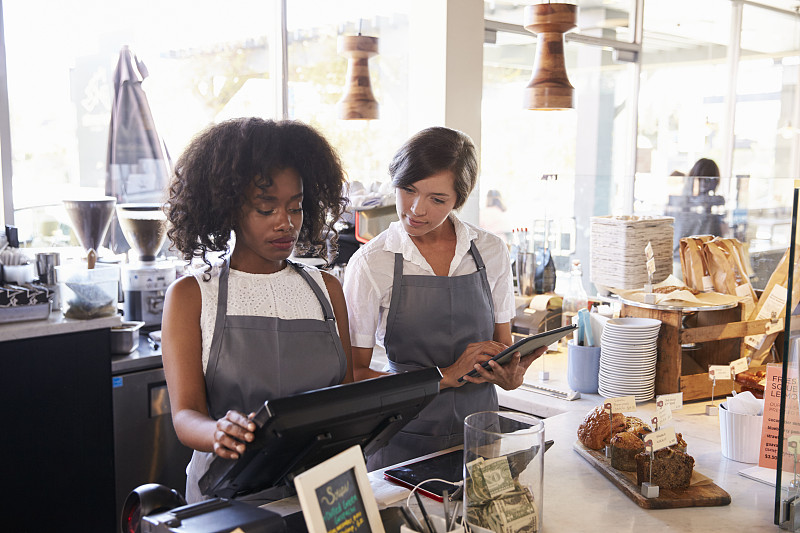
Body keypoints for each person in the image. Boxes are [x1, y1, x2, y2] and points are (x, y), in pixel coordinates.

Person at [161, 117, 354, 503]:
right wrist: (217, 432)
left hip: (322, 491)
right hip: (228, 493)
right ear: (230, 208)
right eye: (266, 209)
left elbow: (346, 400)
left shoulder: (326, 290)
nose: (287, 223)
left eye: (296, 207)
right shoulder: (191, 295)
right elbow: (185, 415)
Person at [343, 126, 545, 469]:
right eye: (408, 189)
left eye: (437, 199)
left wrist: (511, 375)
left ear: (458, 201)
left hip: (482, 434)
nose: (416, 210)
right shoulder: (371, 263)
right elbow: (353, 376)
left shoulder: (490, 251)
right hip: (402, 437)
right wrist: (444, 375)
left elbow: (502, 347)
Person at [670, 157, 725, 257]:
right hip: (681, 258)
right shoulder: (682, 201)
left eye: (709, 179)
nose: (704, 183)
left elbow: (720, 200)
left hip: (704, 259)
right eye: (700, 178)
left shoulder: (713, 204)